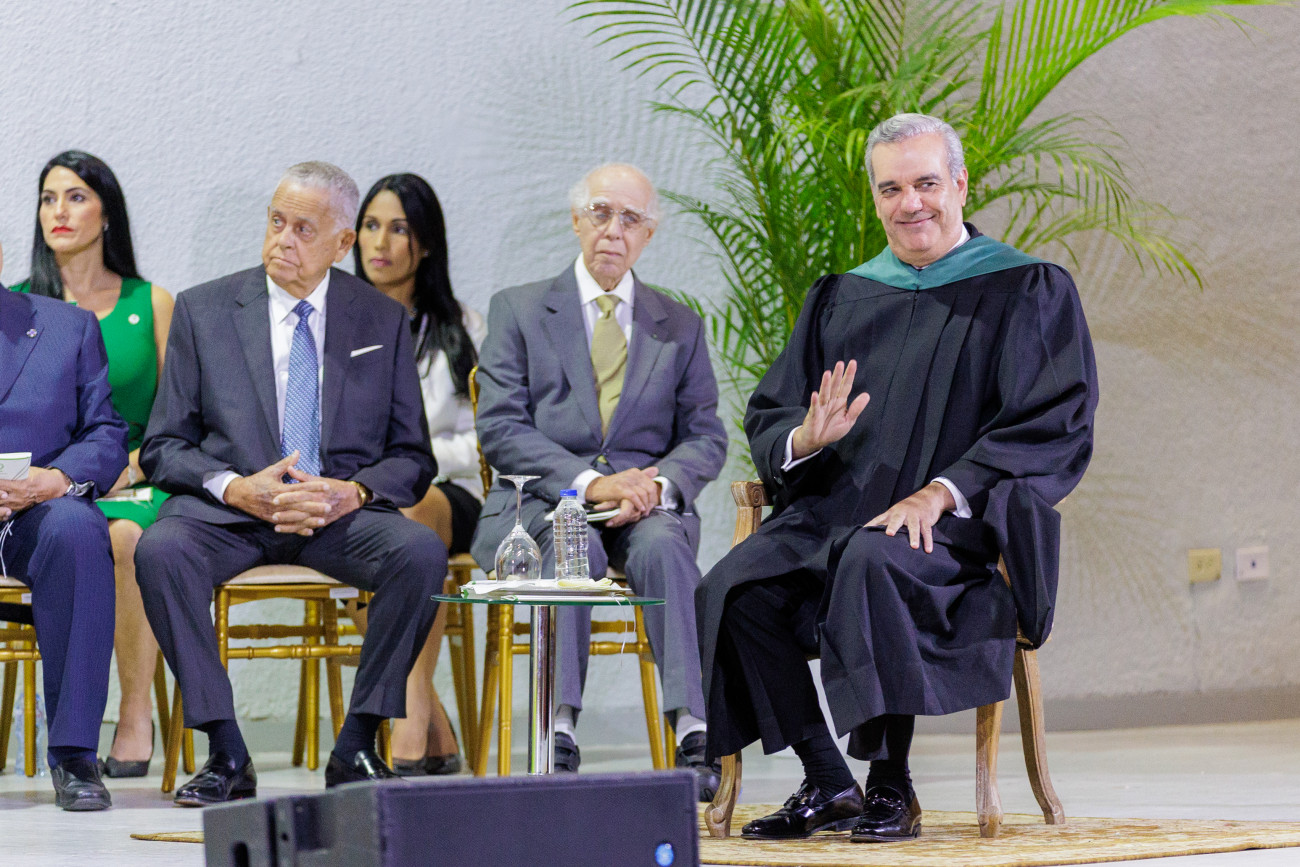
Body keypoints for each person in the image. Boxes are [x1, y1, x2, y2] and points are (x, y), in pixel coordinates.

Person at [695, 114, 1098, 842]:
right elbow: (774, 407)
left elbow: (1052, 419)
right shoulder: (842, 296)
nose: (910, 203)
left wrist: (942, 491)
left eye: (926, 183)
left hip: (958, 531)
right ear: (876, 198)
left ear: (960, 185)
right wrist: (804, 439)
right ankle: (828, 779)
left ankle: (891, 782)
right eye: (891, 189)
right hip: (831, 513)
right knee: (732, 588)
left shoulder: (1024, 288)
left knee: (873, 559)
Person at [135, 161, 447, 806]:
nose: (282, 239)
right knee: (160, 550)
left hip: (338, 515)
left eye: (303, 229)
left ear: (342, 243)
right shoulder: (205, 309)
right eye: (277, 221)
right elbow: (164, 446)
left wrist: (350, 493)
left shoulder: (379, 319)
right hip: (233, 514)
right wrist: (234, 487)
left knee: (419, 552)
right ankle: (225, 750)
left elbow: (412, 456)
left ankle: (358, 742)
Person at [471, 163, 728, 798]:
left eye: (631, 219)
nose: (614, 230)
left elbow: (705, 435)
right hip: (542, 503)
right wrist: (589, 484)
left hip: (644, 509)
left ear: (649, 234)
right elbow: (500, 426)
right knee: (573, 545)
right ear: (576, 220)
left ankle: (694, 728)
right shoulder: (520, 309)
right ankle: (558, 727)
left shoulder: (679, 325)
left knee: (666, 544)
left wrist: (657, 488)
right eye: (601, 212)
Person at [9, 150, 175, 778]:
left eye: (76, 196)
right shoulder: (18, 305)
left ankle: (131, 714)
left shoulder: (148, 302)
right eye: (48, 198)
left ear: (108, 213)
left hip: (134, 478)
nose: (59, 211)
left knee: (121, 536)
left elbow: (175, 416)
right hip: (35, 491)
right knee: (80, 527)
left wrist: (117, 470)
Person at [353, 173, 485, 775]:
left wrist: (414, 461)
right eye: (370, 225)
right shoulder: (335, 325)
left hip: (450, 495)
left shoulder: (464, 328)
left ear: (425, 244)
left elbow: (487, 438)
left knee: (412, 511)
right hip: (362, 493)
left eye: (398, 229)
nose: (379, 242)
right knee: (363, 527)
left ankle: (406, 721)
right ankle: (428, 712)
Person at [0, 237, 131, 810]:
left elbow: (106, 432)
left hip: (36, 508)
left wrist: (56, 479)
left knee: (78, 531)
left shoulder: (67, 326)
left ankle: (75, 754)